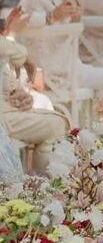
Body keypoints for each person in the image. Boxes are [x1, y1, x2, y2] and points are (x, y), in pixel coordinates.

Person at [0, 32, 66, 175]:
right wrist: (24, 57)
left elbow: (6, 80)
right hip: (3, 118)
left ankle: (41, 188)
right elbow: (4, 48)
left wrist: (18, 92)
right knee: (56, 125)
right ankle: (43, 188)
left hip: (7, 111)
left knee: (58, 120)